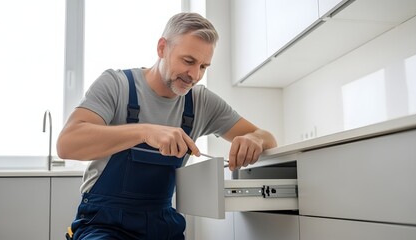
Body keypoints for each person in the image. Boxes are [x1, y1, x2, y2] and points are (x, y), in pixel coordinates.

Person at [57, 12, 277, 240]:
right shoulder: (116, 85)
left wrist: (254, 139)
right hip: (103, 224)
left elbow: (266, 137)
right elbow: (67, 144)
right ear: (162, 48)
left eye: (203, 66)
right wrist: (145, 131)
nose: (194, 75)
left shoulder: (201, 102)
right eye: (188, 61)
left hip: (162, 225)